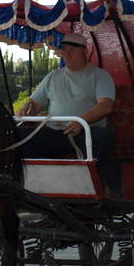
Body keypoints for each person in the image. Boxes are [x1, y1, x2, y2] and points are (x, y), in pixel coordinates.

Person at [15, 32, 116, 173]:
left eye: (73, 50)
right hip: (54, 134)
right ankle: (34, 178)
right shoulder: (52, 77)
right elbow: (34, 103)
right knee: (16, 135)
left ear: (85, 51)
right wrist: (25, 108)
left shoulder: (99, 76)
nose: (67, 54)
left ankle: (90, 183)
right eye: (64, 50)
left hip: (86, 133)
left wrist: (81, 121)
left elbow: (106, 105)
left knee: (105, 136)